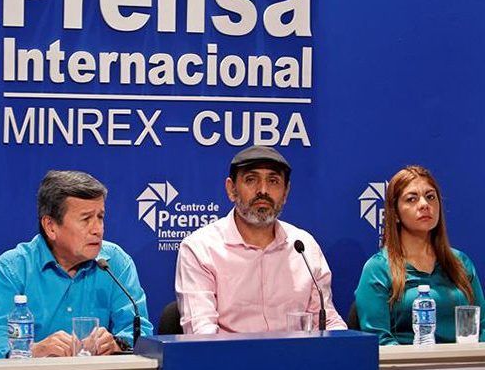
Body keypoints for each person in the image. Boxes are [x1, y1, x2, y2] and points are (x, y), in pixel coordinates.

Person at [0, 170, 153, 358]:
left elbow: (141, 332)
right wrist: (31, 351)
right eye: (86, 219)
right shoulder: (12, 268)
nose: (97, 229)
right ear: (50, 226)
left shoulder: (115, 262)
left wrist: (116, 343)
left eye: (100, 217)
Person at [175, 145, 346, 333]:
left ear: (286, 192)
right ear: (231, 189)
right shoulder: (200, 249)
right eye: (251, 180)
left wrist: (344, 343)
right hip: (228, 359)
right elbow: (202, 332)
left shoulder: (304, 246)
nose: (263, 190)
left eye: (273, 181)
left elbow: (327, 320)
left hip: (297, 359)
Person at [354, 165, 485, 344]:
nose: (424, 205)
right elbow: (380, 340)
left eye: (430, 197)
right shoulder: (378, 268)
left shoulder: (460, 262)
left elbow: (482, 328)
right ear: (396, 214)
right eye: (411, 199)